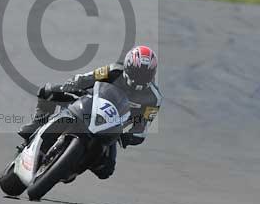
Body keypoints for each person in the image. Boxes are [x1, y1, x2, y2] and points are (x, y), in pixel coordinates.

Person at [17, 45, 162, 180]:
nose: (139, 78)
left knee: (106, 170)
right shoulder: (114, 70)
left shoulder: (154, 98)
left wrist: (131, 136)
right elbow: (88, 77)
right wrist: (73, 85)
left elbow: (143, 124)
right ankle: (38, 123)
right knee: (48, 91)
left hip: (112, 128)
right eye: (137, 72)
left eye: (144, 75)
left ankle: (74, 165)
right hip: (89, 106)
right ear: (128, 66)